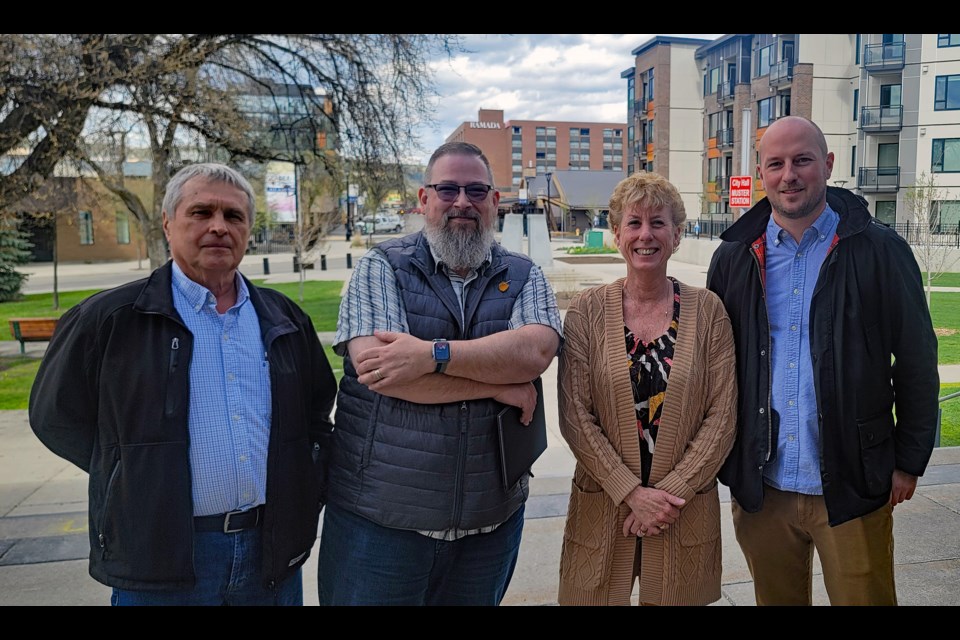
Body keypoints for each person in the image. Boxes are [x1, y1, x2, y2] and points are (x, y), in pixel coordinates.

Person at [29, 163, 337, 606]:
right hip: (159, 562)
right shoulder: (111, 319)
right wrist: (128, 474)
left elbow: (315, 418)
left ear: (248, 228)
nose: (218, 226)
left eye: (233, 216)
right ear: (168, 223)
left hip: (269, 556)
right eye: (201, 212)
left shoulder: (285, 319)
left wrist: (305, 484)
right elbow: (54, 418)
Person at [706, 116, 940, 606]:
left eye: (802, 160)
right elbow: (714, 367)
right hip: (764, 487)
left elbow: (917, 360)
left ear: (828, 165)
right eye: (776, 164)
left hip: (853, 483)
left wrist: (909, 460)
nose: (789, 175)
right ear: (762, 172)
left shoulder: (881, 251)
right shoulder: (733, 257)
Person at [318, 141, 562, 605]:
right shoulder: (381, 267)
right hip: (381, 527)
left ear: (494, 202)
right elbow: (385, 375)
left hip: (489, 527)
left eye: (476, 190)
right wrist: (501, 384)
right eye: (448, 189)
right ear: (424, 199)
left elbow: (534, 352)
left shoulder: (524, 274)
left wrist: (433, 354)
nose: (462, 202)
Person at [557, 172, 737, 606]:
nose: (645, 235)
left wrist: (665, 497)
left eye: (658, 223)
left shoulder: (709, 311)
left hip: (682, 510)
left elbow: (723, 416)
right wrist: (632, 494)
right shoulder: (585, 312)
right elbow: (575, 416)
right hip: (604, 505)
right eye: (634, 223)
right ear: (616, 233)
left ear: (677, 235)